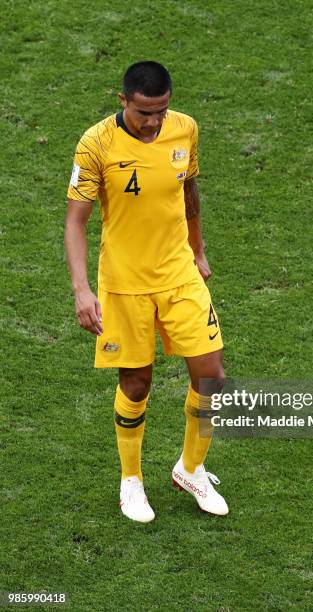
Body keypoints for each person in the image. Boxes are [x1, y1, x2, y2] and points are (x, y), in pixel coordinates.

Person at [65, 61, 228, 522]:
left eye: (161, 111)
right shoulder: (95, 143)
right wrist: (82, 290)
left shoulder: (185, 130)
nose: (154, 122)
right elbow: (76, 222)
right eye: (143, 113)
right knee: (136, 382)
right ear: (123, 102)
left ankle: (191, 469)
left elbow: (188, 190)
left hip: (178, 274)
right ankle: (131, 480)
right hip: (125, 283)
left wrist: (198, 251)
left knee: (211, 374)